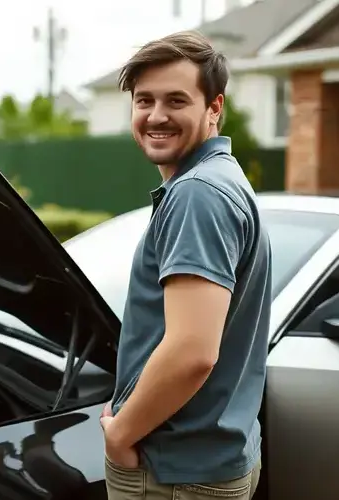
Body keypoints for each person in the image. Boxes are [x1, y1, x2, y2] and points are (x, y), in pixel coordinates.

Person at [99, 30, 272, 500]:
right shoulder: (222, 179)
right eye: (144, 100)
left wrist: (120, 434)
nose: (156, 116)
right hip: (209, 462)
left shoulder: (198, 194)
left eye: (176, 100)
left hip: (176, 473)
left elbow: (193, 351)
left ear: (214, 108)